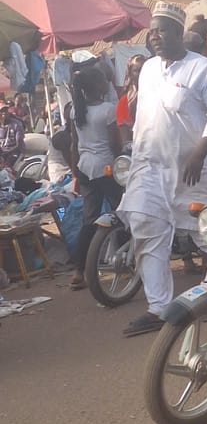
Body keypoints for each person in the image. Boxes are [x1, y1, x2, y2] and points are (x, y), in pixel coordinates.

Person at [117, 2, 207, 337]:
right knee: (146, 229)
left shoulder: (203, 69)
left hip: (193, 171)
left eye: (163, 30)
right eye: (152, 31)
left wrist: (198, 153)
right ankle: (158, 307)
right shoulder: (149, 69)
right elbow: (144, 119)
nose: (155, 37)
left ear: (180, 33)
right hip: (150, 168)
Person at [69, 66, 122, 290]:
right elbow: (114, 144)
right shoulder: (108, 110)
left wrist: (75, 173)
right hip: (107, 167)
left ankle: (79, 270)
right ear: (99, 85)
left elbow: (74, 144)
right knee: (122, 212)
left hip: (84, 167)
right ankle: (126, 259)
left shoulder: (75, 110)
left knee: (89, 220)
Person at [115, 54, 146, 145]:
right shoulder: (125, 101)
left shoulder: (157, 95)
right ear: (130, 74)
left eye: (143, 70)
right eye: (137, 71)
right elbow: (126, 141)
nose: (141, 74)